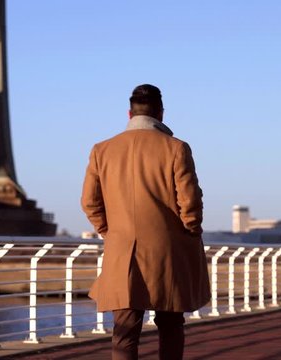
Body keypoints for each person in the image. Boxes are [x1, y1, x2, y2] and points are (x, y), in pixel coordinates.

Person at [81, 84, 211, 360]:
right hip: (168, 250)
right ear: (161, 114)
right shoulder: (176, 148)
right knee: (171, 325)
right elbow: (189, 203)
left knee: (125, 329)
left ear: (129, 113)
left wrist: (110, 231)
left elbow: (89, 202)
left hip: (123, 250)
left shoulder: (102, 150)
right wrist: (189, 229)